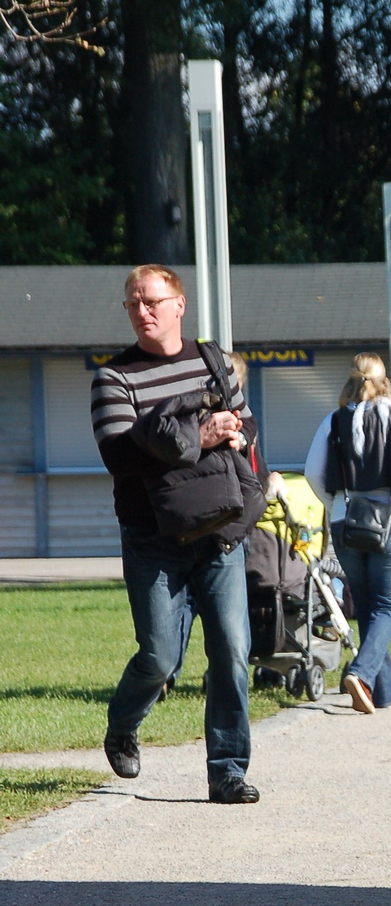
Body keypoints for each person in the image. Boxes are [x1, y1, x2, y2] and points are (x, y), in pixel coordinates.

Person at [91, 265, 261, 802]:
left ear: (179, 305)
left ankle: (228, 771)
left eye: (152, 301)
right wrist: (198, 437)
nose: (142, 311)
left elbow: (248, 423)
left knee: (232, 651)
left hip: (219, 530)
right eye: (133, 304)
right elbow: (118, 455)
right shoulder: (114, 377)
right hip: (152, 537)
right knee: (160, 658)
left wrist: (236, 434)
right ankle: (123, 725)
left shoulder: (212, 361)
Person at [304, 353, 391, 714]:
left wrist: (334, 506)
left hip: (345, 520)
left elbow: (312, 472)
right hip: (388, 519)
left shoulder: (333, 419)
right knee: (387, 607)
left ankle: (381, 691)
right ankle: (360, 672)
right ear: (384, 380)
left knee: (368, 606)